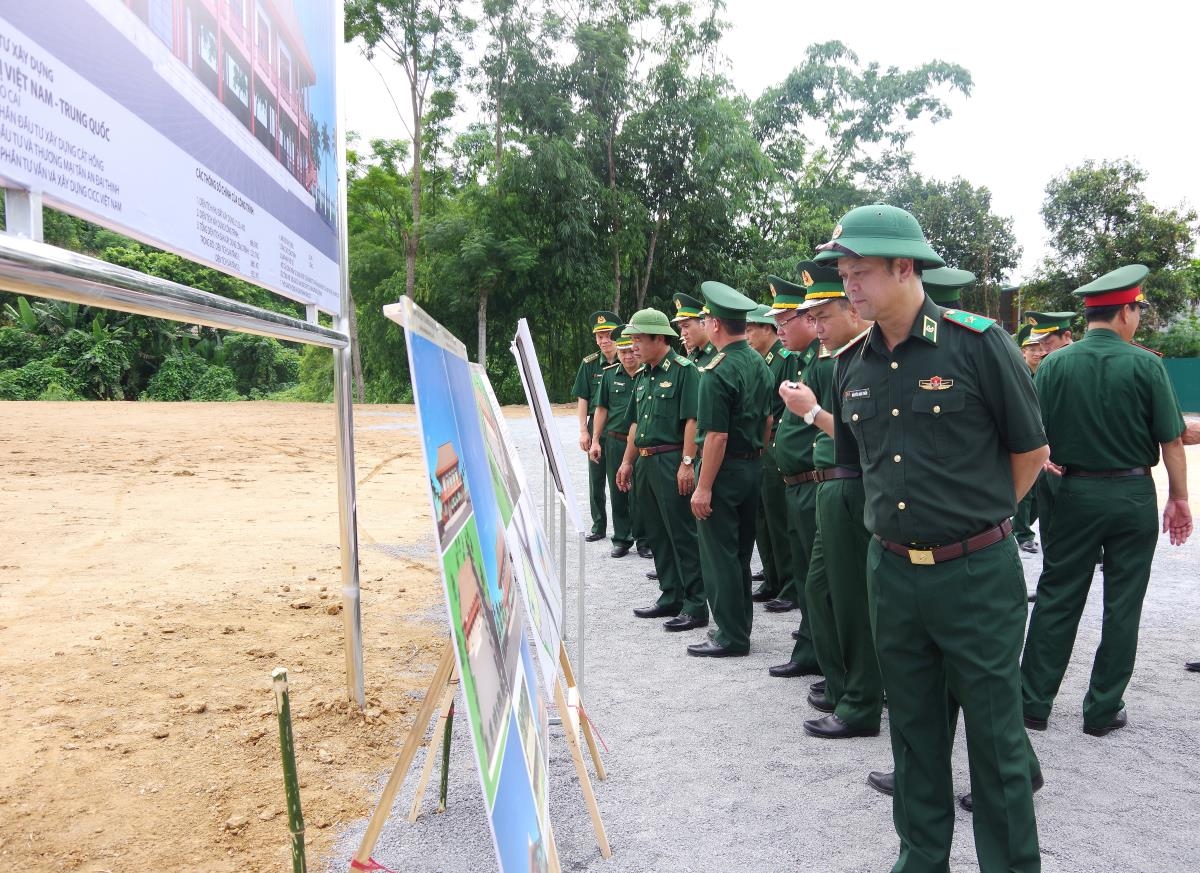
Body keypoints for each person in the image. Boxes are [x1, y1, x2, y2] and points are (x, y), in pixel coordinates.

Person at [816, 204, 1046, 873]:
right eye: (844, 271)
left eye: (860, 271)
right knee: (913, 738)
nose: (848, 284)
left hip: (975, 573)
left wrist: (978, 521)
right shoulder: (850, 363)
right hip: (892, 573)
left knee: (996, 744)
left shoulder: (978, 344)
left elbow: (1029, 452)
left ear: (905, 267)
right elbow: (860, 469)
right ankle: (921, 860)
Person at [1021, 265, 1192, 738]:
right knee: (1123, 604)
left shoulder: (1054, 363)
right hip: (1132, 495)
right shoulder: (1147, 364)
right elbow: (1172, 440)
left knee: (1057, 595)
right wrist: (1179, 498)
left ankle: (1033, 704)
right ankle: (1102, 710)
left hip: (1074, 494)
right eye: (1138, 309)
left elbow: (1034, 435)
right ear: (1126, 312)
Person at [777, 264, 883, 739]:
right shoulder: (844, 358)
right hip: (832, 487)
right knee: (822, 592)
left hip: (852, 484)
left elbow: (866, 440)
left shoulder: (869, 358)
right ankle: (846, 687)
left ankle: (860, 699)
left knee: (851, 599)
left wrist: (812, 412)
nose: (816, 327)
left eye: (824, 317)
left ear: (853, 312)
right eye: (812, 318)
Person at [686, 282, 773, 658]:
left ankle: (730, 635)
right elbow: (768, 420)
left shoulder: (715, 371)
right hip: (752, 467)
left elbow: (716, 437)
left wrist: (703, 487)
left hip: (723, 471)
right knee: (739, 552)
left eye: (705, 319)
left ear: (716, 325)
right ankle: (741, 625)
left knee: (719, 554)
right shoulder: (758, 362)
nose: (703, 324)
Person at [616, 309, 709, 632]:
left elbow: (692, 421)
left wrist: (687, 463)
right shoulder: (643, 376)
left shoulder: (685, 371)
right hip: (645, 460)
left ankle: (696, 605)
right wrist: (628, 461)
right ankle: (671, 594)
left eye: (639, 339)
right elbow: (633, 423)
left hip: (671, 460)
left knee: (682, 533)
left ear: (660, 339)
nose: (633, 346)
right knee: (657, 532)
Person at [763, 275, 825, 678]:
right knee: (806, 576)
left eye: (787, 320)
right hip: (797, 483)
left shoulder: (828, 360)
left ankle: (827, 659)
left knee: (823, 583)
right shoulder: (807, 360)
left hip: (817, 482)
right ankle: (811, 648)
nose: (780, 329)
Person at [745, 303, 797, 617]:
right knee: (762, 516)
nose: (747, 335)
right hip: (763, 443)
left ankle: (789, 584)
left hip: (778, 440)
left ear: (769, 331)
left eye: (751, 329)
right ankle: (772, 575)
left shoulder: (785, 359)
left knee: (779, 519)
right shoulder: (762, 360)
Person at [590, 325, 652, 559]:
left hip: (641, 442)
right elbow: (601, 409)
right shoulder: (609, 376)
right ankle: (622, 538)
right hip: (615, 441)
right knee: (618, 491)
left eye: (631, 352)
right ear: (618, 353)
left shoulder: (648, 374)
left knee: (642, 493)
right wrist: (596, 439)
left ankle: (644, 540)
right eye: (623, 352)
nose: (627, 356)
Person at [573, 310, 620, 542]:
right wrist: (584, 431)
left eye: (608, 335)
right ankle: (598, 526)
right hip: (596, 429)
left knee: (621, 480)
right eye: (599, 336)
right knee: (596, 479)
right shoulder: (589, 364)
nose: (603, 341)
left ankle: (626, 530)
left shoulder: (629, 359)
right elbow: (582, 398)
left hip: (621, 428)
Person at [672, 292, 718, 368]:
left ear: (703, 324)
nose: (683, 334)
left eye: (686, 326)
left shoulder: (718, 354)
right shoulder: (691, 356)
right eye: (681, 328)